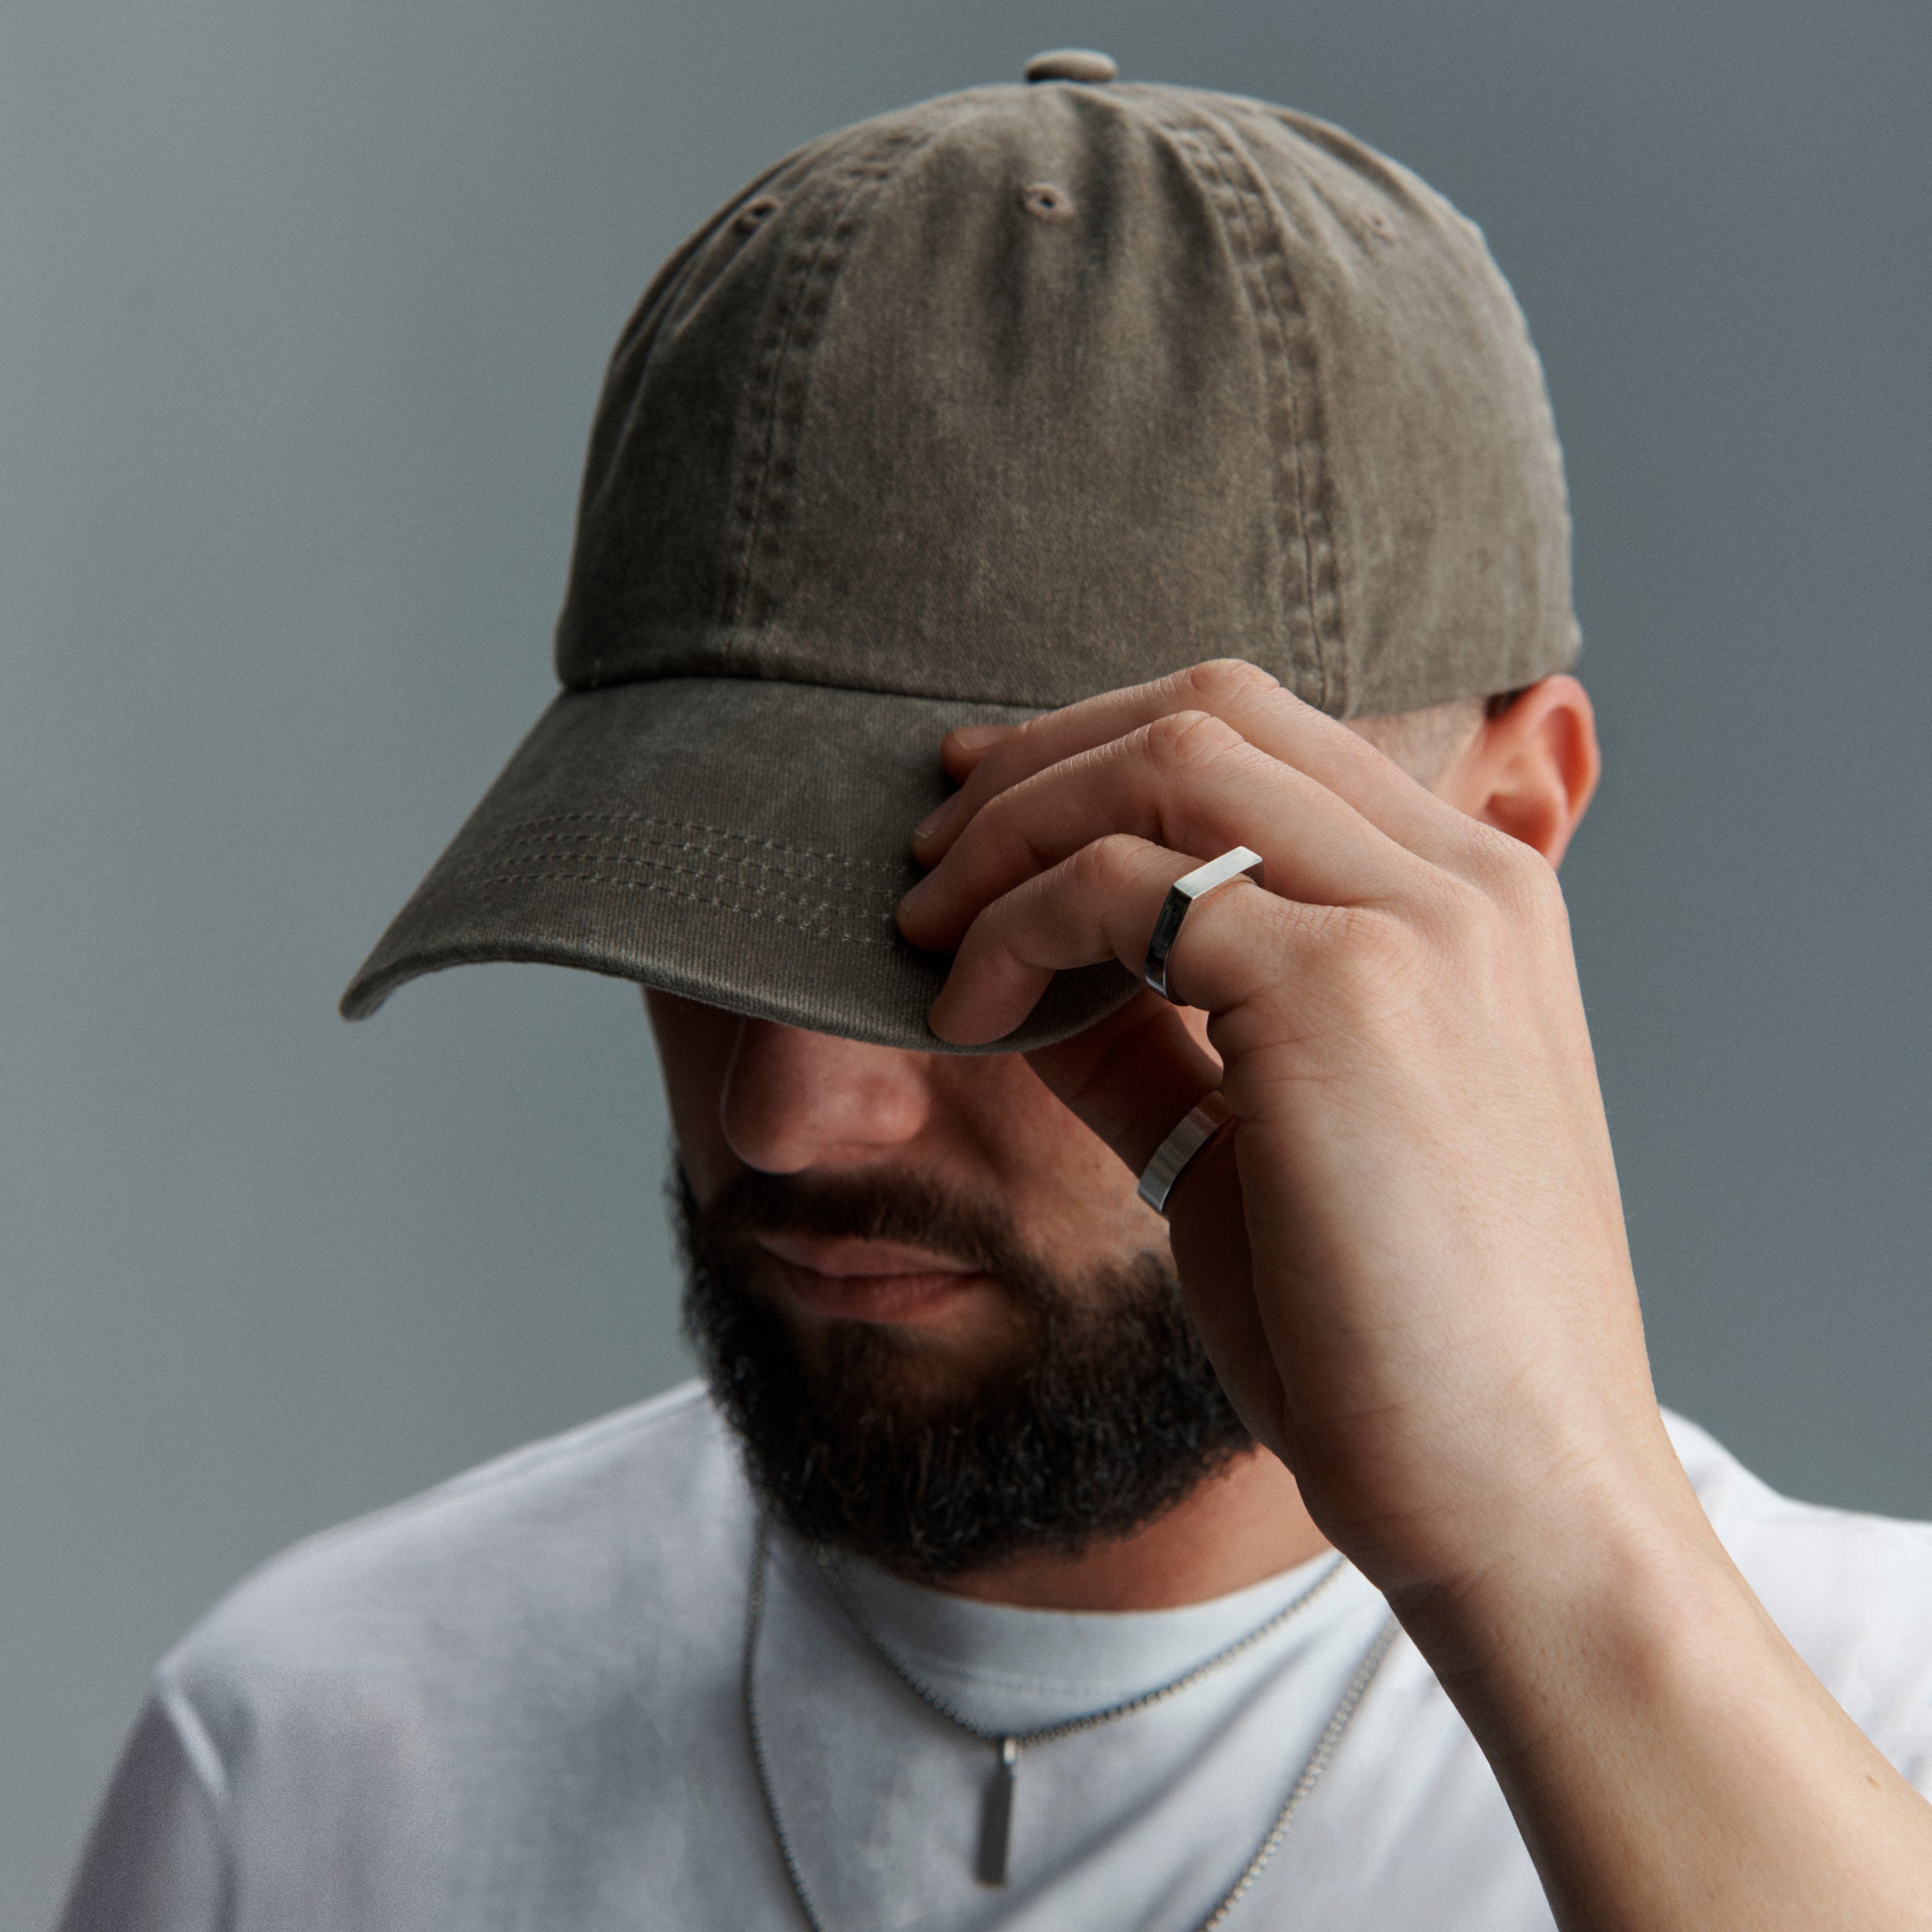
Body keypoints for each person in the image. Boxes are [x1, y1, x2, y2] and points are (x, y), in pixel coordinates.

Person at [59, 52, 1932, 1932]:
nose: (787, 1116)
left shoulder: (1885, 1718)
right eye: (698, 913)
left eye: (1026, 920)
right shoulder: (311, 1763)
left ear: (1500, 828)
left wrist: (1553, 1562)